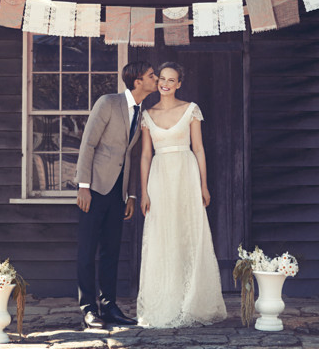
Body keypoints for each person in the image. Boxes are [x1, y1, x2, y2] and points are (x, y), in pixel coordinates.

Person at [137, 61, 227, 328]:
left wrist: (204, 185)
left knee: (187, 232)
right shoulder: (147, 114)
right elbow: (145, 154)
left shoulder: (190, 110)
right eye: (162, 79)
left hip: (186, 174)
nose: (165, 83)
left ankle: (192, 301)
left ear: (179, 84)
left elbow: (198, 149)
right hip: (159, 177)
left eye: (171, 80)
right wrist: (143, 192)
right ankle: (166, 299)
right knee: (163, 234)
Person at [75, 60, 158, 330]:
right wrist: (83, 186)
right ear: (138, 82)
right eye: (151, 76)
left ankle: (109, 306)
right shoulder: (108, 103)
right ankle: (89, 309)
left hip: (119, 193)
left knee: (111, 251)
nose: (156, 79)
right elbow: (88, 143)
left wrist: (131, 195)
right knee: (87, 250)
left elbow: (129, 156)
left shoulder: (141, 110)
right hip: (95, 188)